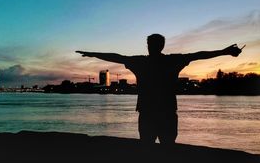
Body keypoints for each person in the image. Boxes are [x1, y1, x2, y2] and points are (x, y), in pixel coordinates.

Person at [76, 33, 244, 145]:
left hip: (150, 112)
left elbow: (117, 57)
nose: (150, 46)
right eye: (150, 43)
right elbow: (199, 54)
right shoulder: (171, 61)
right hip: (165, 112)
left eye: (151, 44)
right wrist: (224, 51)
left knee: (148, 146)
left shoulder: (142, 62)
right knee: (167, 147)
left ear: (154, 45)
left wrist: (93, 54)